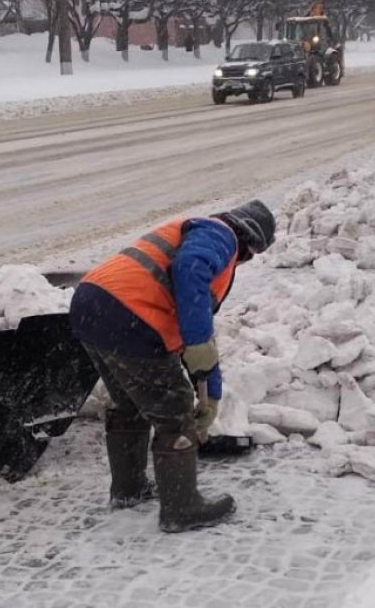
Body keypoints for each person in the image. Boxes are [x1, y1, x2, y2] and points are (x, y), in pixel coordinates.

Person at [69, 200, 276, 533]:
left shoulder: (191, 230)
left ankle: (128, 489)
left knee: (129, 403)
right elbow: (191, 273)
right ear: (251, 244)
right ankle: (182, 507)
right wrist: (197, 350)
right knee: (174, 408)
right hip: (129, 316)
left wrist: (209, 388)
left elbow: (188, 324)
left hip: (91, 306)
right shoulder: (221, 235)